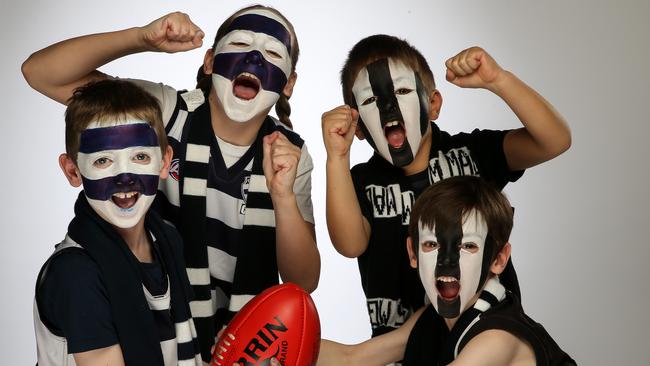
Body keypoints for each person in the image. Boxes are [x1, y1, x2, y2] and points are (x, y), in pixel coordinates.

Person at [23, 6, 320, 363]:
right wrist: (140, 38)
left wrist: (283, 197)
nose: (254, 58)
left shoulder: (289, 153)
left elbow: (302, 282)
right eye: (240, 43)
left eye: (273, 53)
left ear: (288, 83)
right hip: (148, 320)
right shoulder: (166, 112)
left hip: (237, 342)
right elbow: (41, 74)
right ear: (210, 61)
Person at [321, 35, 571, 337]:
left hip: (486, 338)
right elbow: (350, 245)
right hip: (402, 350)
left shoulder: (473, 153)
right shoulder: (361, 181)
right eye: (372, 100)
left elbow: (555, 140)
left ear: (434, 104)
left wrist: (499, 80)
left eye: (402, 90)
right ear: (358, 125)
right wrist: (336, 157)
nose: (389, 108)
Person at [317, 176, 576, 365]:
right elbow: (350, 359)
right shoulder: (432, 320)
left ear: (498, 259)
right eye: (431, 244)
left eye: (468, 246)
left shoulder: (497, 338)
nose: (447, 262)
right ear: (413, 253)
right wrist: (283, 346)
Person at [34, 79, 202, 365]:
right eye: (103, 161)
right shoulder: (75, 274)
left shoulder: (167, 240)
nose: (125, 177)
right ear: (73, 171)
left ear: (164, 162)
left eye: (139, 156)